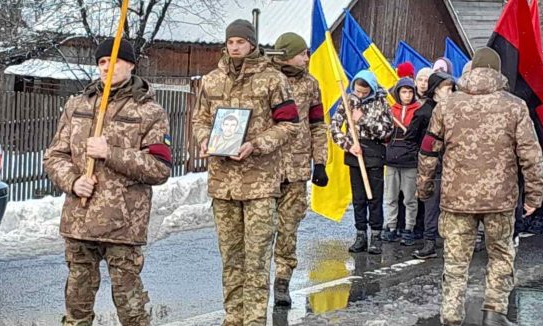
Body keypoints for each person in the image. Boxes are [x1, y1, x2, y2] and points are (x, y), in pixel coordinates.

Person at [43, 38, 172, 326]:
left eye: (113, 61)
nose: (106, 67)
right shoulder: (77, 105)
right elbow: (54, 156)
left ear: (131, 65)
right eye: (101, 62)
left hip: (123, 223)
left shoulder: (149, 112)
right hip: (80, 220)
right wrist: (73, 181)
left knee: (131, 310)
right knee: (76, 308)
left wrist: (110, 153)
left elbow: (159, 167)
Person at [416, 47, 543, 326]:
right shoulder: (514, 106)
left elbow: (428, 150)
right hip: (500, 199)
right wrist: (534, 195)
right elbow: (531, 154)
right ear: (498, 72)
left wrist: (424, 188)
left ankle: (451, 315)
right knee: (500, 255)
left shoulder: (447, 105)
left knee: (455, 260)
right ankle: (493, 313)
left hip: (456, 198)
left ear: (471, 71)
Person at [191, 19, 299, 326]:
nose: (234, 46)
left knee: (256, 259)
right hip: (223, 183)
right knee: (231, 259)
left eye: (240, 41)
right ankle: (232, 318)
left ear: (251, 43)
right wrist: (204, 140)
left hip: (260, 184)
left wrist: (257, 144)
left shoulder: (272, 79)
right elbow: (199, 120)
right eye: (230, 42)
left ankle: (254, 320)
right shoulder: (211, 80)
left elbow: (289, 123)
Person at [269, 32, 329, 306]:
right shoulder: (265, 80)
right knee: (260, 231)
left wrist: (320, 162)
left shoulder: (311, 84)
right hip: (264, 168)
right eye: (303, 52)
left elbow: (318, 125)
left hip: (296, 168)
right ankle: (254, 284)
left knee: (288, 227)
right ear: (288, 53)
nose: (307, 57)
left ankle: (282, 281)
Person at [330, 70, 394, 255]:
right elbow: (334, 126)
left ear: (371, 89)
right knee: (358, 199)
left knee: (374, 197)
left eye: (364, 92)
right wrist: (348, 145)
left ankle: (376, 236)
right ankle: (360, 235)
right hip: (354, 154)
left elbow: (386, 132)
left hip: (374, 153)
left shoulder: (382, 102)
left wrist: (363, 120)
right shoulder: (348, 100)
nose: (360, 95)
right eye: (358, 91)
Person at [406, 71, 457, 259]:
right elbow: (411, 138)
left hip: (452, 167)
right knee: (431, 205)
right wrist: (422, 157)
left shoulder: (454, 110)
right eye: (446, 88)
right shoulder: (425, 111)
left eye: (452, 88)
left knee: (451, 207)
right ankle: (429, 242)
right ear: (436, 90)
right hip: (432, 166)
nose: (450, 92)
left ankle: (450, 241)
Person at [382, 77, 422, 246]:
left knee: (410, 198)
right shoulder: (391, 111)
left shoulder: (418, 111)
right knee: (390, 196)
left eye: (410, 91)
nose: (407, 95)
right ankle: (391, 226)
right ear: (398, 93)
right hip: (392, 159)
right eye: (403, 92)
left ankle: (409, 228)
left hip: (410, 161)